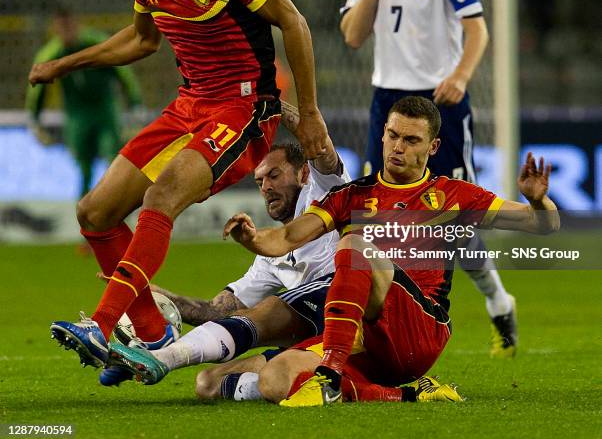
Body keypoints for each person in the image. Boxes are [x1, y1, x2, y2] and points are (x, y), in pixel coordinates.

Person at [29, 0, 328, 370]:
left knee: (160, 198)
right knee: (94, 213)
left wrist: (310, 111)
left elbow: (293, 23)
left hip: (243, 108)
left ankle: (101, 326)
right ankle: (151, 328)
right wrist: (66, 63)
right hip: (188, 105)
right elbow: (141, 41)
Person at [224, 96, 559, 406]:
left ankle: (328, 374)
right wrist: (251, 239)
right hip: (364, 339)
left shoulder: (452, 195)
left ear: (433, 146)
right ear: (382, 134)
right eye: (393, 135)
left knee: (355, 244)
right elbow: (285, 238)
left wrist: (537, 200)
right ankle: (405, 394)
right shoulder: (350, 195)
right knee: (274, 379)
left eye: (411, 140)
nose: (398, 147)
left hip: (419, 330)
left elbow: (542, 224)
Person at [340, 0, 516, 357]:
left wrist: (460, 75)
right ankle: (400, 319)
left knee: (459, 226)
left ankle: (498, 299)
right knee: (387, 221)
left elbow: (477, 30)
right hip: (388, 103)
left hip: (443, 100)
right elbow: (353, 37)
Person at [99, 101, 347, 390]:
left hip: (352, 313)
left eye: (274, 175)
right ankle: (315, 383)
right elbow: (217, 312)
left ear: (303, 174)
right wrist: (148, 294)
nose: (265, 186)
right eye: (259, 181)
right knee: (208, 384)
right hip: (314, 334)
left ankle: (161, 357)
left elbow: (319, 145)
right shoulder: (268, 258)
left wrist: (273, 105)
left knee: (265, 311)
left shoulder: (327, 189)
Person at [26, 8, 142, 197]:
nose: (67, 31)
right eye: (61, 27)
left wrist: (135, 102)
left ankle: (116, 203)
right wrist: (34, 116)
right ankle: (85, 210)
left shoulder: (95, 43)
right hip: (77, 114)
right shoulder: (51, 54)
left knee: (112, 154)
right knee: (83, 164)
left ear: (76, 24)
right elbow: (37, 87)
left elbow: (123, 71)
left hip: (104, 108)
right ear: (55, 29)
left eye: (69, 26)